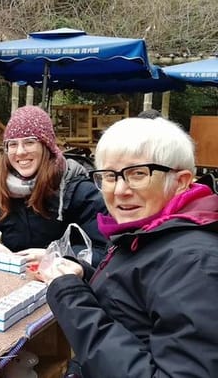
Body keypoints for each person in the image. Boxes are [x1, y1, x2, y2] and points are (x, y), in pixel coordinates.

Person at [40, 117, 218, 377]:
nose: (120, 190)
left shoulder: (195, 262)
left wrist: (70, 297)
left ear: (180, 182)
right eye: (109, 176)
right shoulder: (149, 231)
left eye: (138, 174)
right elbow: (135, 304)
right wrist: (83, 276)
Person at [0, 106, 108, 267]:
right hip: (16, 277)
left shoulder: (78, 189)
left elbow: (104, 251)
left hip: (66, 282)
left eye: (29, 142)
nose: (20, 152)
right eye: (13, 144)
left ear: (47, 147)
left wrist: (55, 256)